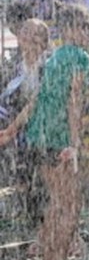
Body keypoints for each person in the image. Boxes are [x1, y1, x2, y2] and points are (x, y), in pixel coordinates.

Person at [0, 3, 89, 260]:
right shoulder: (79, 56)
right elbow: (74, 102)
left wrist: (12, 131)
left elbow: (35, 100)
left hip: (38, 139)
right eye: (86, 26)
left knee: (55, 205)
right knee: (69, 205)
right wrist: (75, 144)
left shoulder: (52, 60)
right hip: (59, 139)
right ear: (73, 29)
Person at [0, 17, 49, 230]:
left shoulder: (49, 66)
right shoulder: (12, 67)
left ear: (44, 41)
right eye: (25, 32)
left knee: (44, 182)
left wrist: (13, 128)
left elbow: (39, 101)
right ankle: (36, 228)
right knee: (26, 182)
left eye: (35, 33)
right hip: (16, 133)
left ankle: (47, 229)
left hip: (43, 132)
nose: (29, 36)